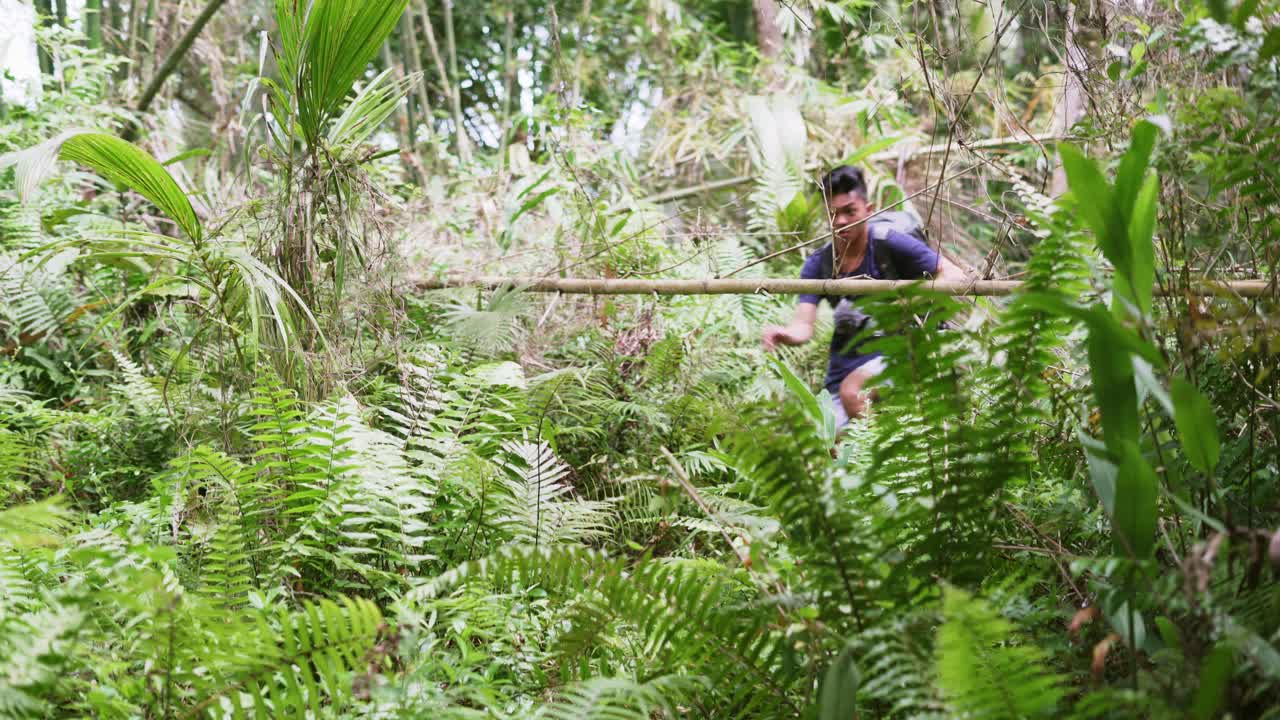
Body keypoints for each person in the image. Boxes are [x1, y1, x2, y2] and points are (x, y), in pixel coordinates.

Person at [761, 165, 968, 425]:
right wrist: (785, 334)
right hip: (845, 368)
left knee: (853, 393)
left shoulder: (889, 243)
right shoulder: (819, 263)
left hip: (903, 353)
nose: (841, 221)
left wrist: (910, 303)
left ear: (868, 210)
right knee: (827, 439)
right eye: (833, 214)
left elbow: (954, 275)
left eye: (850, 212)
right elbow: (804, 324)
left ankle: (883, 448)